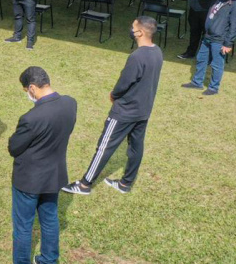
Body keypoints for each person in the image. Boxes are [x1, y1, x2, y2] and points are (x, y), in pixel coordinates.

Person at [63, 17, 163, 196]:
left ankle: (85, 185)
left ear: (139, 32)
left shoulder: (137, 56)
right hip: (143, 110)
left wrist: (113, 95)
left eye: (133, 27)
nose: (131, 30)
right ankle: (126, 183)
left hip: (125, 111)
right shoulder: (157, 52)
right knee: (135, 147)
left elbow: (124, 83)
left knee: (104, 146)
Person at [0, 67, 77, 264]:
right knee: (50, 219)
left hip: (29, 179)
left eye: (26, 90)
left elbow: (14, 147)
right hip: (54, 176)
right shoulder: (70, 104)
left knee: (23, 226)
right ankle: (49, 263)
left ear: (32, 88)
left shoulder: (31, 118)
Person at [183, 0, 236, 95]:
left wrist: (228, 43)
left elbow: (235, 26)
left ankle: (213, 87)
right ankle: (197, 82)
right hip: (208, 36)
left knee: (216, 64)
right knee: (201, 59)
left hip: (219, 40)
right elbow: (206, 6)